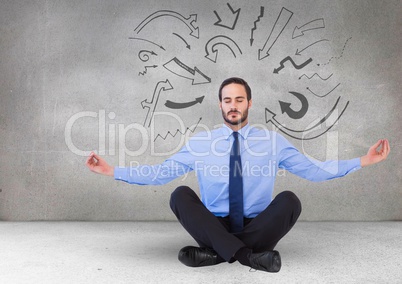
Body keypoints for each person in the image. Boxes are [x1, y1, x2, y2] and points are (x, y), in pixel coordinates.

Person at [86, 77, 390, 273]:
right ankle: (248, 256)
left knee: (290, 200)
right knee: (180, 195)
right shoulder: (201, 142)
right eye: (227, 100)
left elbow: (314, 170)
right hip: (214, 222)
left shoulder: (272, 142)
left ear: (249, 103)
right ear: (220, 104)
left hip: (257, 224)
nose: (233, 106)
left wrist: (362, 160)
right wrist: (112, 170)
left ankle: (217, 254)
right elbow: (161, 173)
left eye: (239, 99)